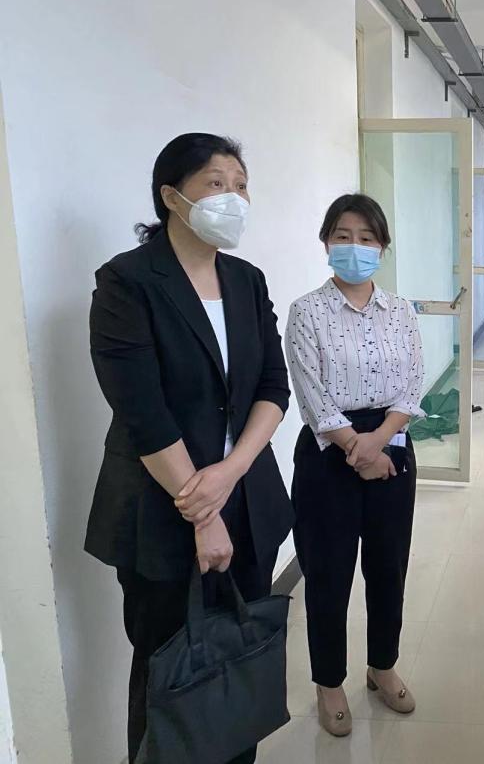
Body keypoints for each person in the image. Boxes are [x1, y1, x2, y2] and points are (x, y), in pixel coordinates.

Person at [87, 133, 293, 764]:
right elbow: (143, 413)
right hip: (162, 512)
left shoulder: (247, 280)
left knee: (238, 664)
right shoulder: (127, 282)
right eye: (216, 183)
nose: (234, 197)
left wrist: (231, 472)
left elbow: (273, 386)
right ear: (171, 196)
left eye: (241, 184)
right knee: (168, 677)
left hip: (247, 503)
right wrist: (203, 513)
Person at [286, 193, 423, 737]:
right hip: (328, 454)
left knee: (388, 568)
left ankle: (382, 666)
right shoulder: (307, 311)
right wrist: (356, 450)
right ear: (326, 242)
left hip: (392, 446)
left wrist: (380, 443)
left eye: (366, 238)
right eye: (343, 236)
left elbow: (412, 384)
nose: (355, 247)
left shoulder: (401, 311)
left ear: (382, 247)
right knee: (328, 574)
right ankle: (328, 682)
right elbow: (311, 394)